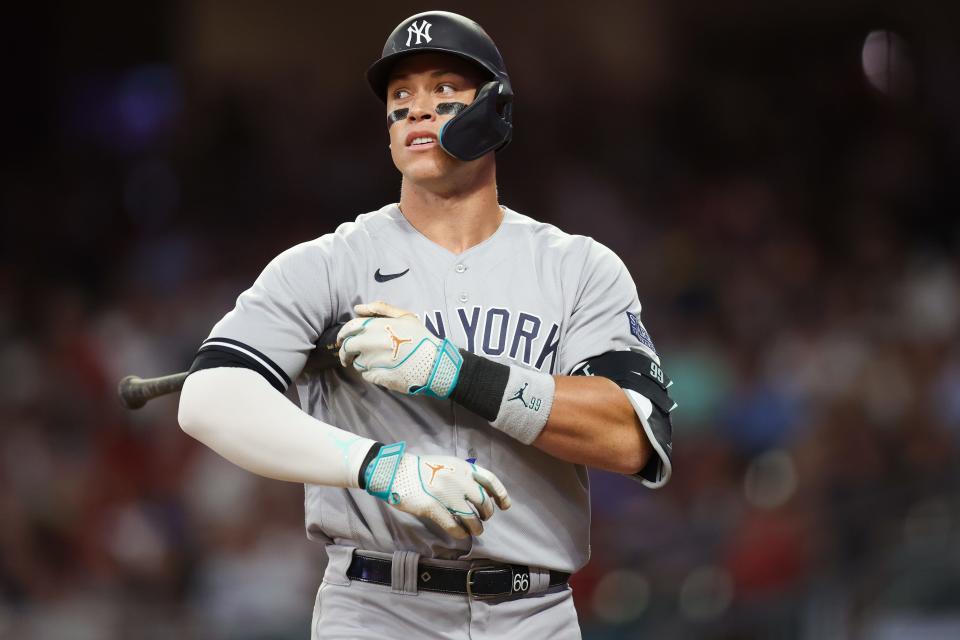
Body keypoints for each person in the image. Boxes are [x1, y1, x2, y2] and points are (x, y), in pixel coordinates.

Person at [177, 10, 675, 639]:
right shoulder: (331, 263)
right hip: (376, 607)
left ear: (493, 109)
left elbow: (633, 437)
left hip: (534, 615)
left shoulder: (577, 267)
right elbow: (208, 398)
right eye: (400, 95)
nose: (417, 108)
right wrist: (379, 467)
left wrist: (453, 370)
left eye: (444, 90)